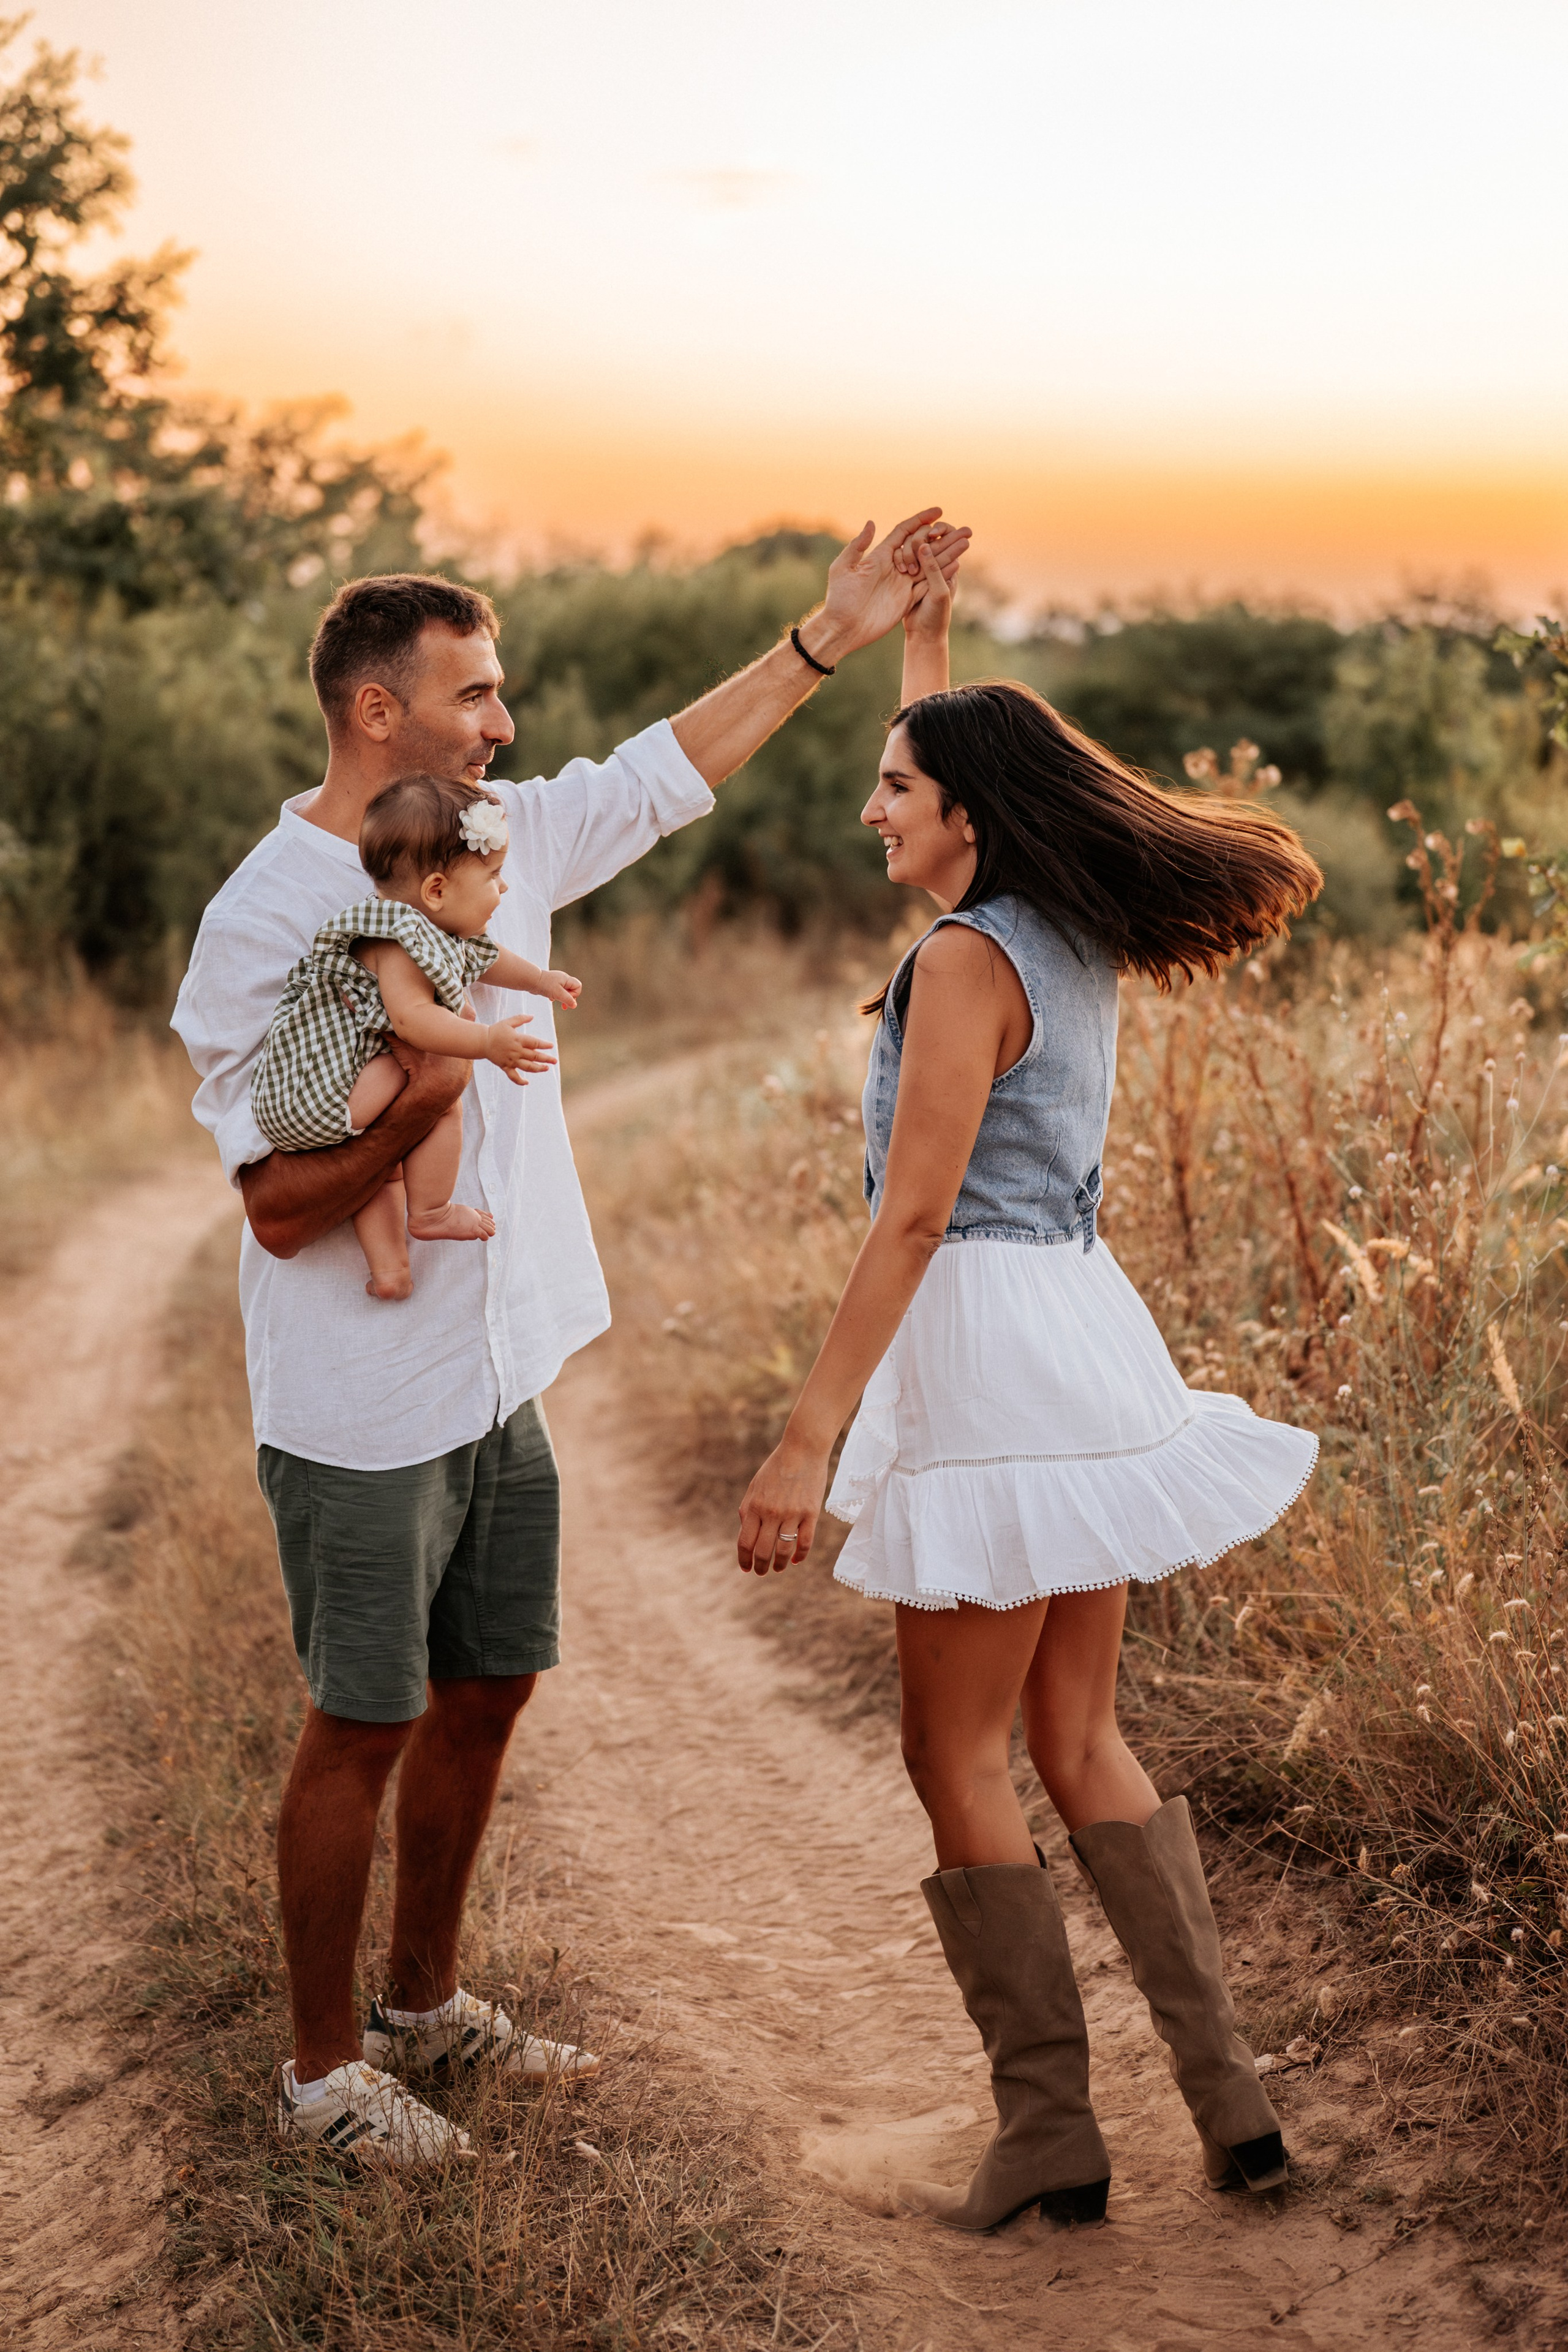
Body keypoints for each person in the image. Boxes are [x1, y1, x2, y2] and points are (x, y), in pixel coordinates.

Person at [172, 515, 970, 2166]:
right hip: (365, 1399)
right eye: (477, 694)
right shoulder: (266, 920)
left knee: (492, 1685)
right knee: (363, 1721)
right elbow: (276, 1204)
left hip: (499, 1368)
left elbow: (671, 768)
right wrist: (443, 1082)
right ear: (378, 714)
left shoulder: (500, 839)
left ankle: (423, 2013)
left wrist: (831, 635)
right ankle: (323, 2079)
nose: (506, 726)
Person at [736, 540, 1322, 2230]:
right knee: (1077, 1733)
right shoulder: (1052, 927)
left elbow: (915, 1217)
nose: (873, 810)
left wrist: (806, 1437)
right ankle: (1238, 2112)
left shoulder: (956, 967)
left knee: (960, 1754)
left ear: (963, 815)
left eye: (891, 785)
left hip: (985, 1350)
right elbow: (967, 783)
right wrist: (929, 647)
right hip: (1084, 1325)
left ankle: (1052, 2134)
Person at [249, 772, 581, 1301]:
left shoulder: (439, 934)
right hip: (325, 1091)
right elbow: (412, 1021)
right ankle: (430, 1211)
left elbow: (490, 960)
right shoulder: (399, 940)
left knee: (381, 1173)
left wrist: (542, 981)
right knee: (436, 1101)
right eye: (493, 875)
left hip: (335, 1093)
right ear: (436, 890)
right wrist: (486, 1042)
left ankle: (391, 1271)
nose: (504, 888)